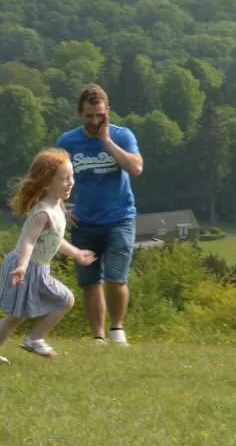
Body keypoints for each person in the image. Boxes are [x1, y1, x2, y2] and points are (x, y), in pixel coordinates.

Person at [57, 84, 142, 346]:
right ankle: (98, 336)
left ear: (108, 112)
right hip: (84, 222)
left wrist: (107, 141)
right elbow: (52, 178)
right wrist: (61, 210)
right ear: (79, 114)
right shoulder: (67, 142)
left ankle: (117, 330)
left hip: (120, 218)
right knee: (89, 282)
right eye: (89, 116)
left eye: (100, 115)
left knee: (116, 278)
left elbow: (136, 168)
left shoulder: (122, 135)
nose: (94, 121)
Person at [0, 149, 97, 361]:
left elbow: (54, 239)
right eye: (64, 179)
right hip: (26, 268)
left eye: (71, 176)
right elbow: (29, 241)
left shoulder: (58, 207)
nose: (70, 182)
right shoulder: (43, 213)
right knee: (63, 300)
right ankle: (35, 339)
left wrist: (76, 253)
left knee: (19, 315)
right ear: (46, 183)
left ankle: (34, 339)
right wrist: (22, 266)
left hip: (37, 269)